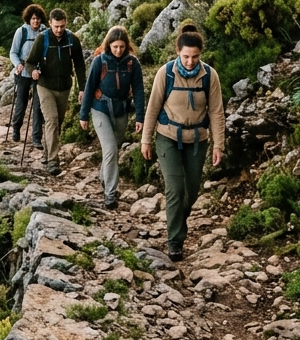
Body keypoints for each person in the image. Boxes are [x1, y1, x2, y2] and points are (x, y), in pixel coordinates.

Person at [140, 22, 224, 262]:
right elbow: (153, 107)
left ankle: (176, 220)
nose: (190, 62)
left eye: (195, 57)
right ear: (178, 52)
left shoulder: (209, 75)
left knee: (192, 192)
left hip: (198, 140)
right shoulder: (165, 73)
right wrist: (146, 140)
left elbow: (217, 112)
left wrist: (219, 145)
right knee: (175, 189)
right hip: (167, 137)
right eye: (186, 56)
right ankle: (175, 242)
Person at [79, 26, 145, 210]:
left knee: (114, 149)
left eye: (122, 47)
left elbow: (139, 91)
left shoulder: (133, 64)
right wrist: (83, 115)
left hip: (121, 110)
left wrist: (140, 116)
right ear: (109, 45)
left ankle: (104, 178)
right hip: (100, 108)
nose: (118, 50)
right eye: (115, 46)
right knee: (110, 150)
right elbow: (90, 87)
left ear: (127, 46)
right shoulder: (99, 61)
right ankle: (110, 194)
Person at [24, 8, 86, 176]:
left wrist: (82, 88)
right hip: (45, 86)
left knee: (57, 123)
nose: (59, 30)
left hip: (65, 87)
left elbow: (80, 64)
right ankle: (53, 161)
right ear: (50, 23)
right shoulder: (42, 39)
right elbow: (29, 62)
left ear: (66, 23)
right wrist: (33, 72)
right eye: (56, 26)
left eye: (62, 26)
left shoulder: (72, 40)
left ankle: (47, 152)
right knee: (51, 120)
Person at [9, 4, 47, 145]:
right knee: (21, 103)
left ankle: (36, 138)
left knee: (38, 106)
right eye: (33, 19)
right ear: (28, 19)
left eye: (37, 19)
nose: (36, 21)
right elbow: (13, 52)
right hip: (23, 71)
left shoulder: (45, 32)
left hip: (39, 73)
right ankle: (16, 129)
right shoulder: (22, 32)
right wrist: (17, 64)